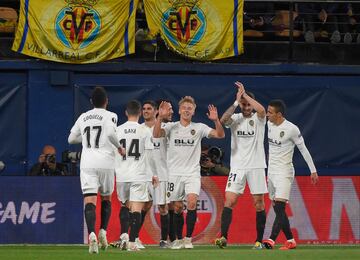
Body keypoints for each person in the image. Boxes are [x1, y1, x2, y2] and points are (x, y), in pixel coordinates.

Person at [153, 96, 225, 249]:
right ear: (179, 110)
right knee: (177, 207)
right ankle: (178, 238)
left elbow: (220, 135)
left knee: (192, 202)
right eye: (184, 107)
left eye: (189, 108)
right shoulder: (172, 127)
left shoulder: (199, 127)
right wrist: (159, 117)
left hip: (192, 173)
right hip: (174, 173)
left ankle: (188, 239)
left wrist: (216, 120)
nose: (186, 110)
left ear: (193, 111)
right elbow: (156, 135)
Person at [68, 86, 124, 254]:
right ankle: (103, 231)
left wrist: (86, 139)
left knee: (89, 201)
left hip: (88, 162)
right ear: (106, 101)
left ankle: (91, 234)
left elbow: (71, 139)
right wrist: (119, 147)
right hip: (106, 162)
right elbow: (109, 133)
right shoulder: (111, 116)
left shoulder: (83, 117)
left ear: (91, 102)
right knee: (106, 198)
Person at [215, 82, 268, 250]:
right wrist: (236, 102)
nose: (246, 107)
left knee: (258, 203)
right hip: (237, 167)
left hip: (256, 166)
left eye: (248, 104)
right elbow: (223, 120)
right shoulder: (236, 119)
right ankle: (223, 237)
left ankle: (258, 241)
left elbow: (262, 110)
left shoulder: (258, 119)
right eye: (244, 105)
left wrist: (245, 95)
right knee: (229, 201)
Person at [263, 99, 319, 250]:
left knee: (280, 207)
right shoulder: (268, 125)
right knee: (278, 209)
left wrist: (312, 170)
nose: (267, 115)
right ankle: (291, 240)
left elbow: (303, 149)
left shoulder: (291, 129)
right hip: (272, 173)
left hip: (285, 172)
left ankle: (271, 240)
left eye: (270, 112)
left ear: (279, 114)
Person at [114, 100, 156, 251]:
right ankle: (132, 242)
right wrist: (154, 174)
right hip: (139, 174)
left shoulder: (117, 130)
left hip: (122, 175)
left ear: (126, 113)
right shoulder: (145, 131)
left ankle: (124, 234)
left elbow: (112, 152)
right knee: (137, 209)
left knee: (125, 205)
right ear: (139, 113)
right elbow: (150, 156)